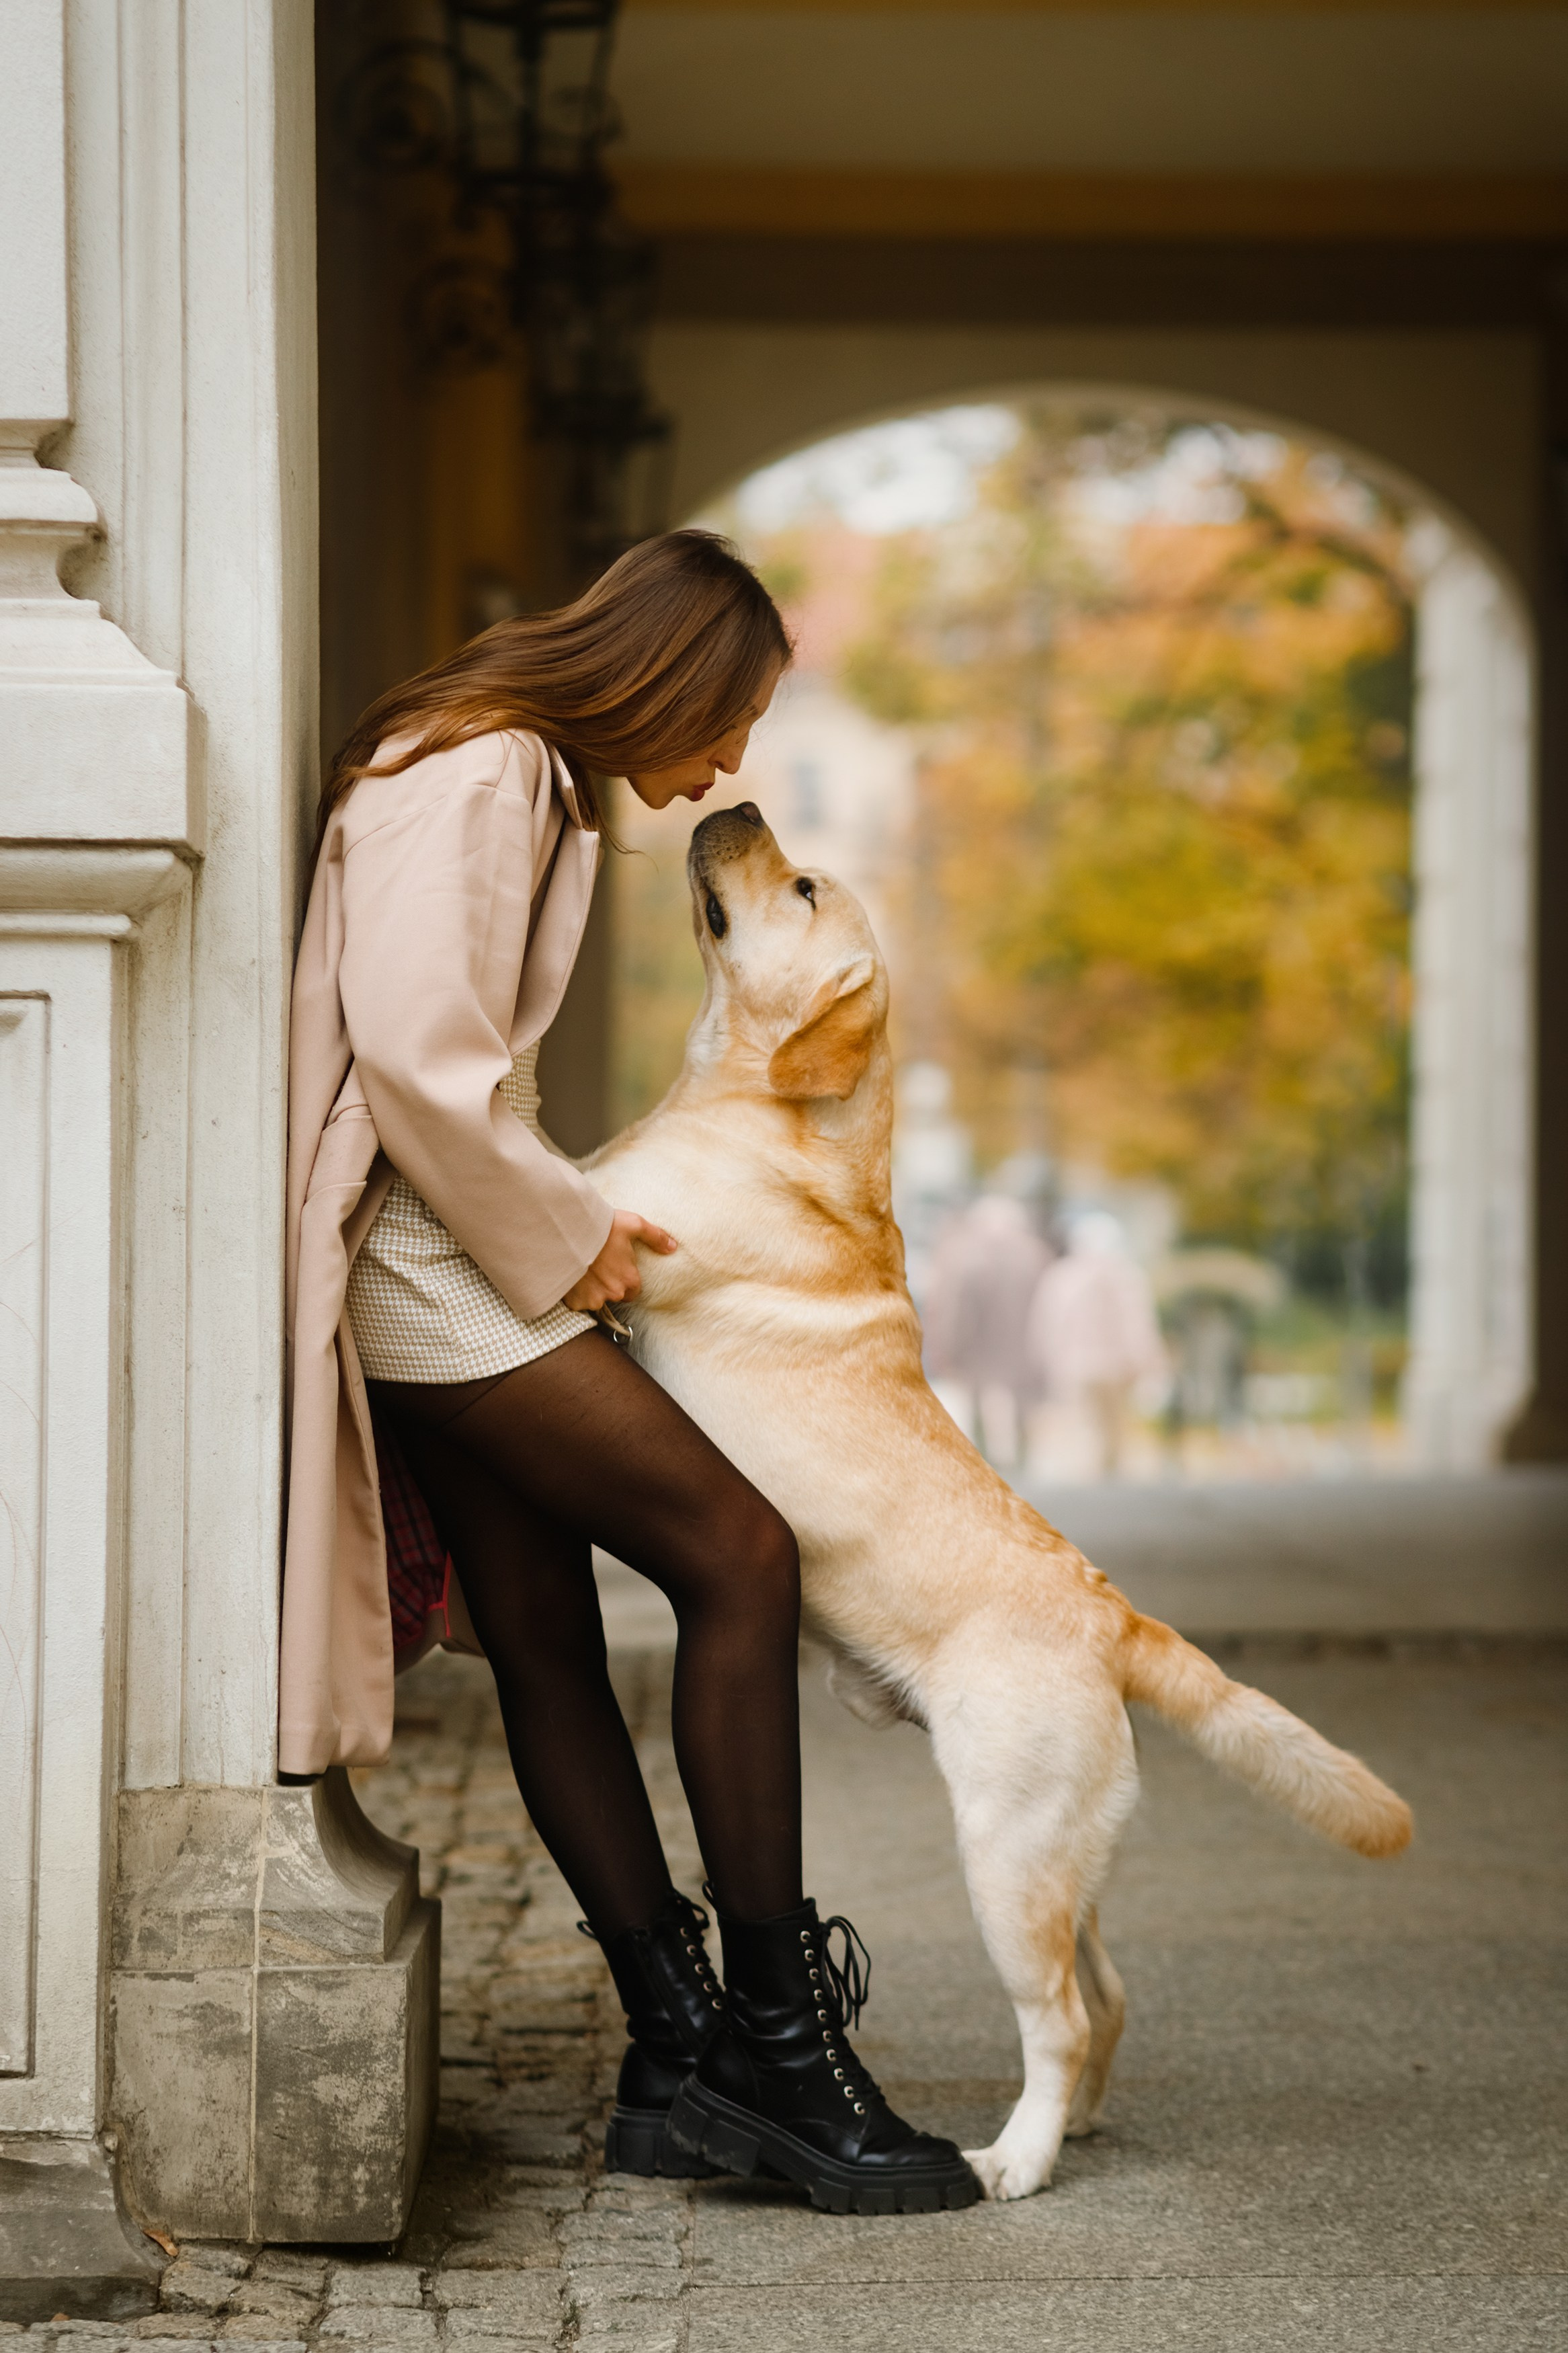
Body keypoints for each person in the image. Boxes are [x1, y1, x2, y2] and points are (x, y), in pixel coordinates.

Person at [280, 530, 977, 2215]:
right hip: (434, 1264)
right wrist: (564, 1239)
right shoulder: (490, 772)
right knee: (740, 1555)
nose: (731, 763)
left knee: (543, 1631)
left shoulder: (496, 766)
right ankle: (778, 2051)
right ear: (658, 676)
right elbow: (424, 1061)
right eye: (729, 717)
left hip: (439, 1242)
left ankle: (674, 2050)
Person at [1028, 1211, 1165, 1478]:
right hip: (1118, 1365)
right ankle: (1112, 1476)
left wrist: (1047, 1357)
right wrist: (1147, 1359)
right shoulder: (1128, 1276)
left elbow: (1049, 1323)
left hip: (1076, 1365)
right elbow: (1138, 1324)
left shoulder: (1063, 1276)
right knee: (1116, 1424)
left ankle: (1092, 1479)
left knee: (1086, 1424)